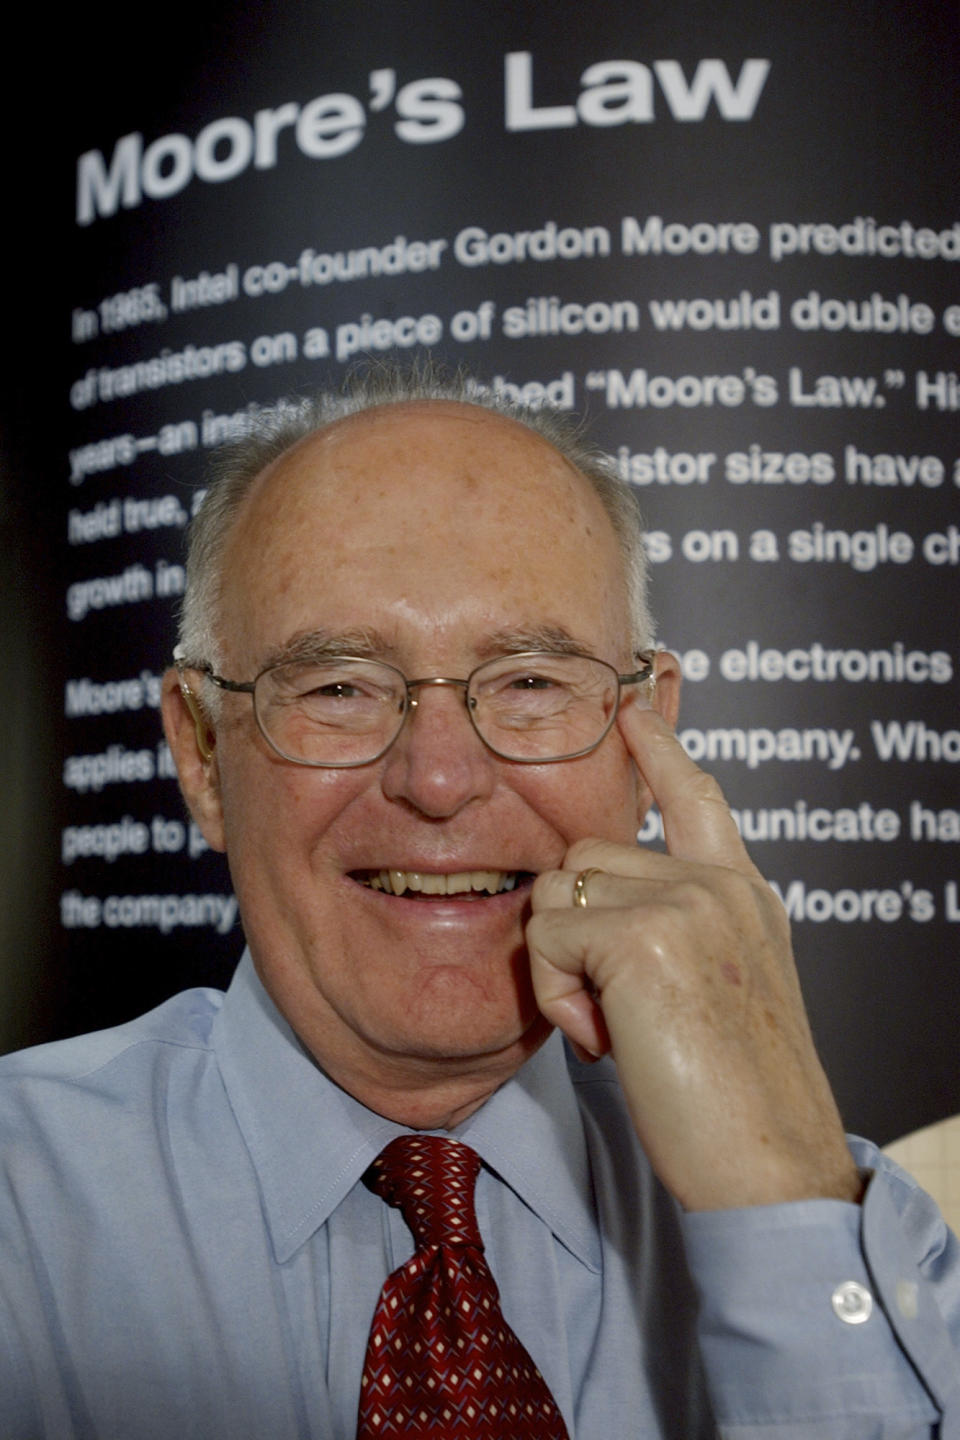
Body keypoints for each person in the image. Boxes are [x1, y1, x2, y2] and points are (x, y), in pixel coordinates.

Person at [1, 367, 958, 1439]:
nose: (442, 780)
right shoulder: (19, 1205)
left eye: (533, 682)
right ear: (205, 756)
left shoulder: (856, 1234)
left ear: (648, 741)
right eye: (339, 687)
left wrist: (786, 1202)